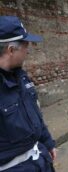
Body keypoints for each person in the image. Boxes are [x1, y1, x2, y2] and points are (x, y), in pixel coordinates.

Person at [0, 16, 56, 171]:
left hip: (39, 160)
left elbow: (34, 113)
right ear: (11, 50)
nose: (28, 49)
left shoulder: (21, 76)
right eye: (25, 44)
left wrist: (48, 142)